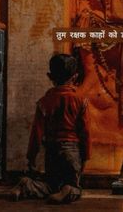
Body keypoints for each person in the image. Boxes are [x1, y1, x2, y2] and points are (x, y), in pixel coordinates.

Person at [11, 53, 91, 204]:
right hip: (72, 150)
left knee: (51, 184)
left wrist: (31, 156)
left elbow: (37, 132)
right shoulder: (81, 100)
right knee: (74, 184)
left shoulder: (44, 101)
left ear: (50, 76)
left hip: (52, 148)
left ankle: (26, 186)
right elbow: (85, 131)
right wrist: (86, 154)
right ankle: (68, 190)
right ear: (75, 77)